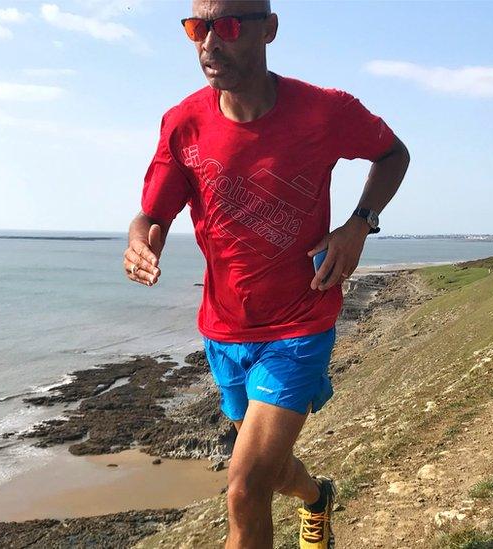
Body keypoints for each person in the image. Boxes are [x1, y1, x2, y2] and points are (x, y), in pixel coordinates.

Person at [122, 1, 410, 547]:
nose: (209, 42)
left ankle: (307, 499)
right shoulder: (183, 122)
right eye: (196, 28)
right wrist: (141, 242)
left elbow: (393, 154)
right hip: (224, 331)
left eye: (227, 26)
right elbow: (154, 215)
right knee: (270, 472)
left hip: (300, 325)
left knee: (243, 486)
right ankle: (318, 497)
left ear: (268, 30)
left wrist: (358, 226)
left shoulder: (324, 111)